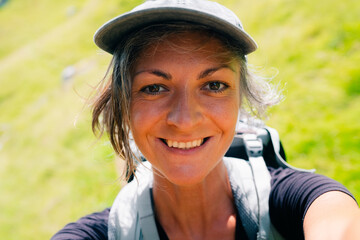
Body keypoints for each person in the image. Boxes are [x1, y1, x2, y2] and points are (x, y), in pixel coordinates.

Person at [51, 0, 360, 239]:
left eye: (214, 85)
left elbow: (335, 217)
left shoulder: (307, 201)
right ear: (123, 106)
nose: (184, 120)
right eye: (154, 88)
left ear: (241, 99)